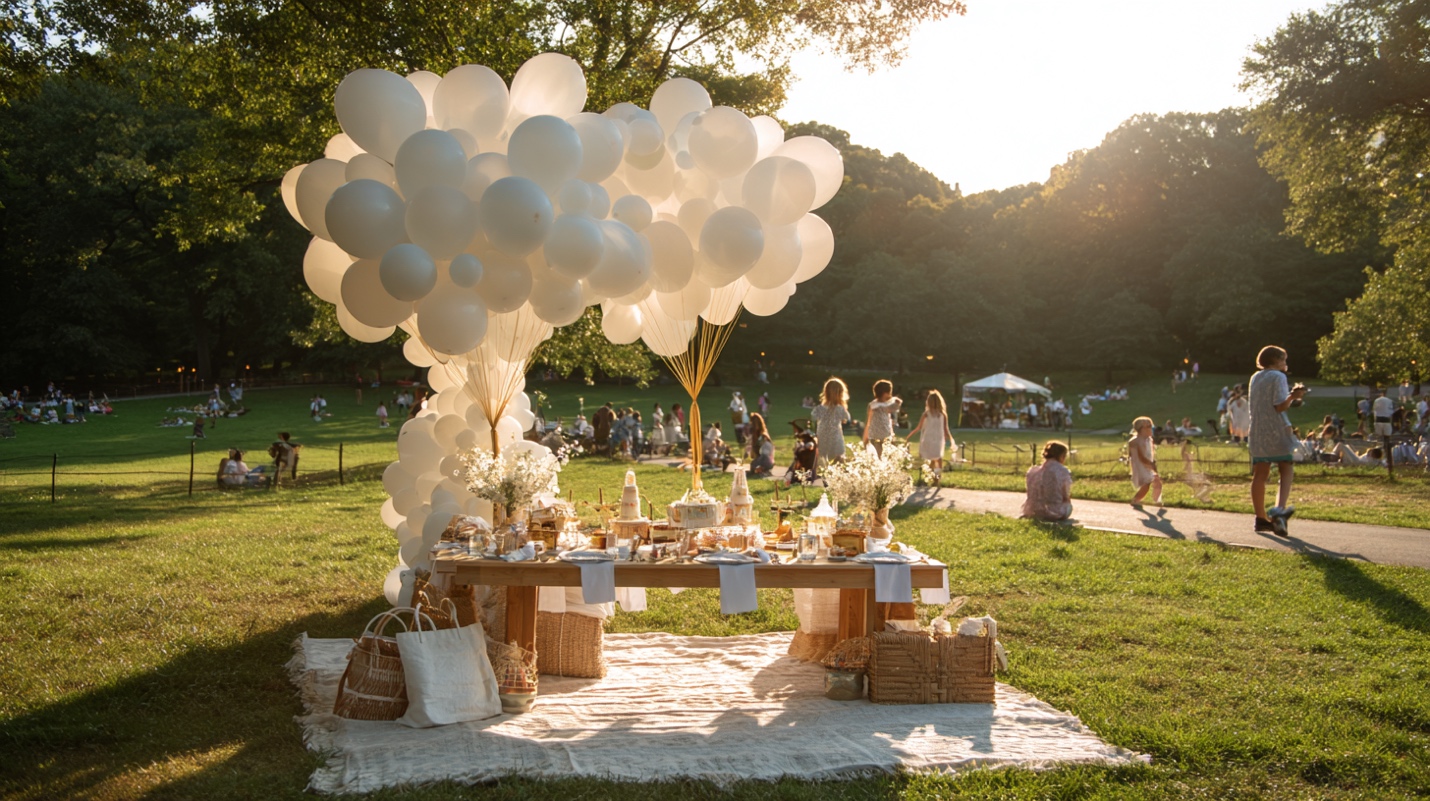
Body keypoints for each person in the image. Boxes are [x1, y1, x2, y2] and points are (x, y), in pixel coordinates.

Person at [1248, 345, 1307, 536]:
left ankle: (1260, 519)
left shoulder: (1255, 377)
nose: (1285, 363)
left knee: (1260, 474)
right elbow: (1279, 407)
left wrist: (1292, 399)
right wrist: (1294, 395)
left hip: (1257, 431)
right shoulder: (1279, 377)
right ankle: (1279, 511)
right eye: (1283, 359)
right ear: (1275, 360)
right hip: (1276, 430)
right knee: (1286, 467)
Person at [906, 390, 954, 481]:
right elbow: (946, 429)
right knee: (938, 458)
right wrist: (951, 439)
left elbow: (919, 427)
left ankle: (931, 475)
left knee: (931, 458)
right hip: (938, 439)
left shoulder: (926, 414)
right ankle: (937, 477)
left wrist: (909, 436)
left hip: (928, 438)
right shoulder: (942, 414)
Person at [1022, 441, 1073, 522]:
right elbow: (1066, 495)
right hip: (1054, 512)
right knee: (1068, 506)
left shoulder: (1032, 471)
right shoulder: (1063, 471)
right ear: (1061, 456)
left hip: (1032, 511)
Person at [810, 377, 851, 465]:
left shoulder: (820, 408)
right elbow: (847, 420)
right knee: (837, 461)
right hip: (836, 438)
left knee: (822, 459)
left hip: (822, 437)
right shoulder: (840, 409)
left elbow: (813, 417)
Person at [1128, 416, 1162, 507]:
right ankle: (1136, 500)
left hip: (1148, 464)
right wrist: (1149, 464)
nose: (1151, 429)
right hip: (1141, 466)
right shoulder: (1135, 441)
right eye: (1149, 427)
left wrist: (1152, 463)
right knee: (1146, 484)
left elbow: (1151, 453)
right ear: (1141, 429)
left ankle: (1157, 500)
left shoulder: (1149, 440)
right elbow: (1140, 456)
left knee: (1157, 482)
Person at [862, 379, 902, 456]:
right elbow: (869, 421)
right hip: (880, 434)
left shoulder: (874, 405)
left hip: (879, 434)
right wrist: (866, 436)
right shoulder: (880, 406)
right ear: (885, 393)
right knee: (881, 454)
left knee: (881, 454)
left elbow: (869, 420)